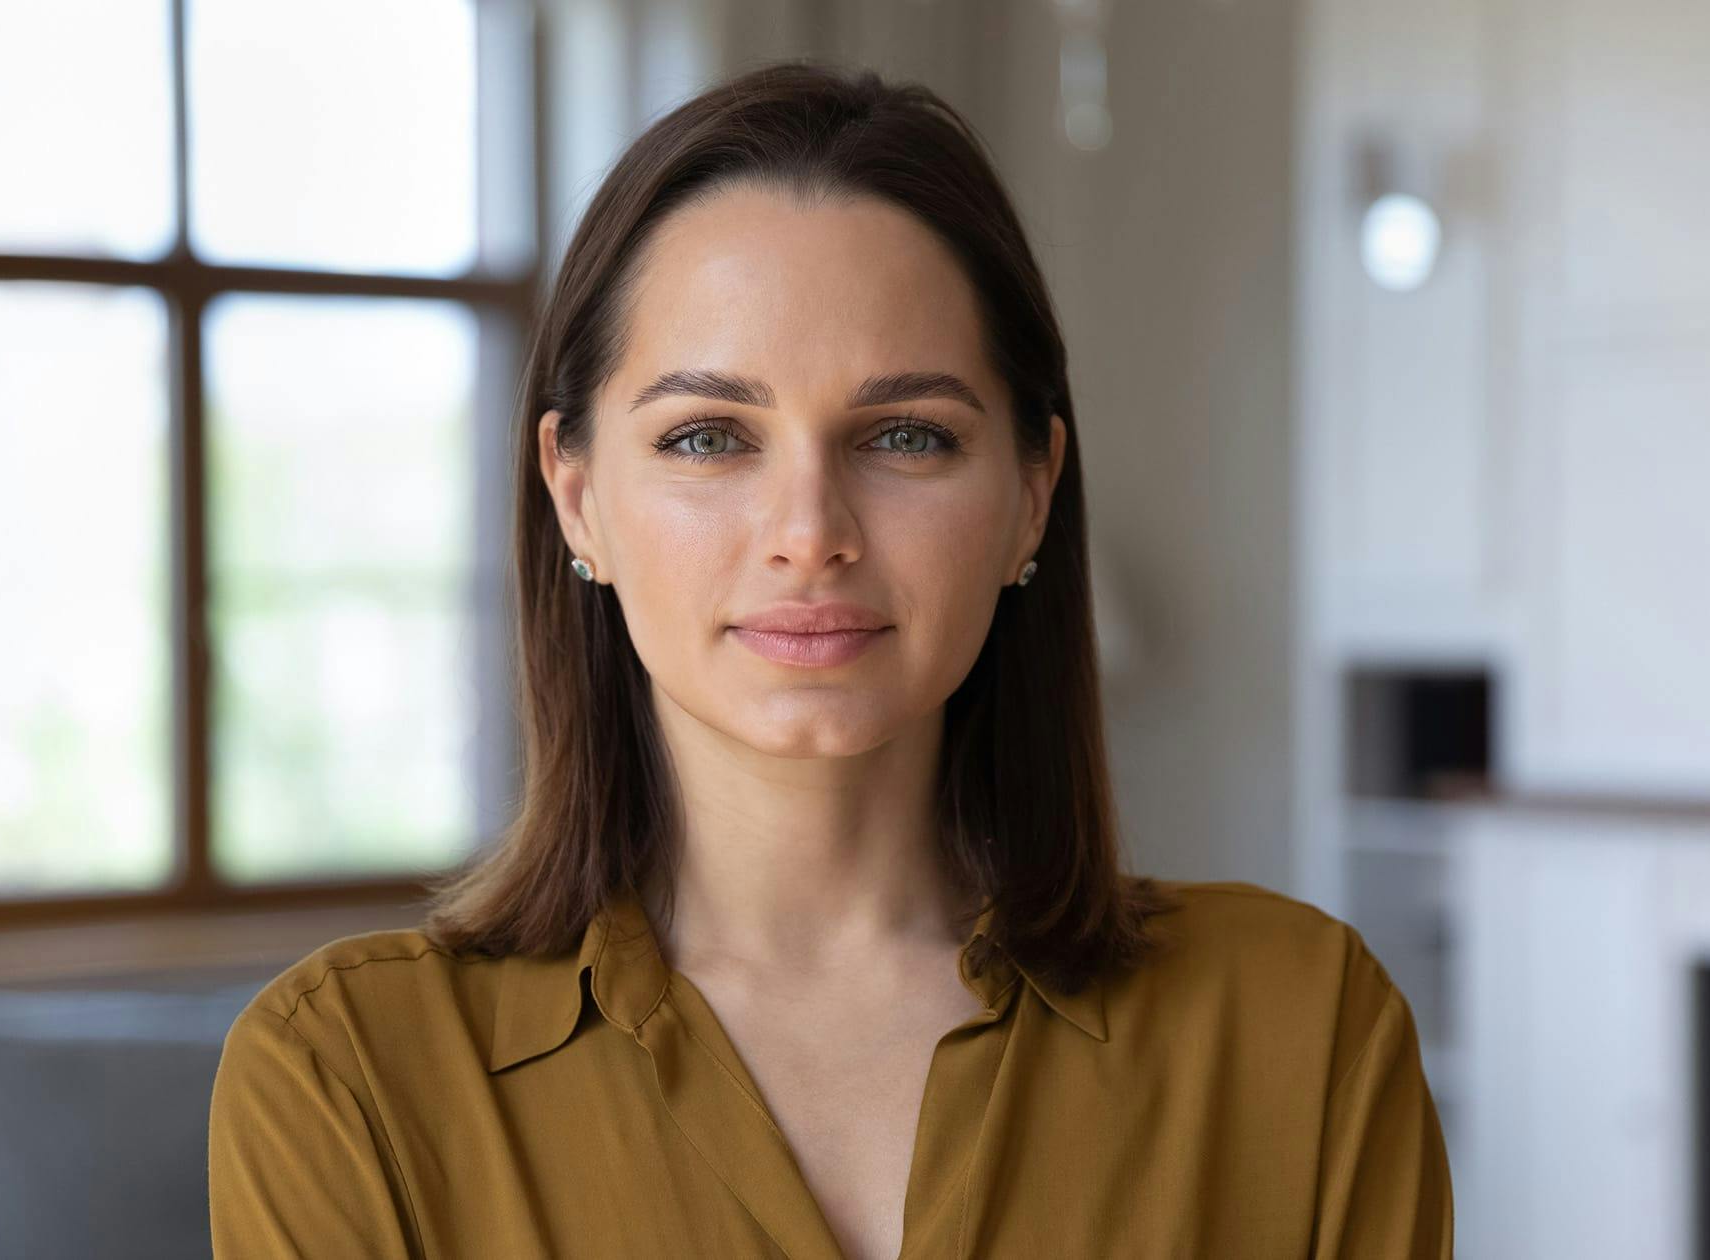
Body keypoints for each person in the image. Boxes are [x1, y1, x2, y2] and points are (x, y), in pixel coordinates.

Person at [207, 58, 1453, 1259]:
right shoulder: (346, 1080)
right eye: (707, 439)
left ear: (1030, 494)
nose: (809, 534)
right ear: (575, 496)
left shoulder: (1300, 1030)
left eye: (905, 434)